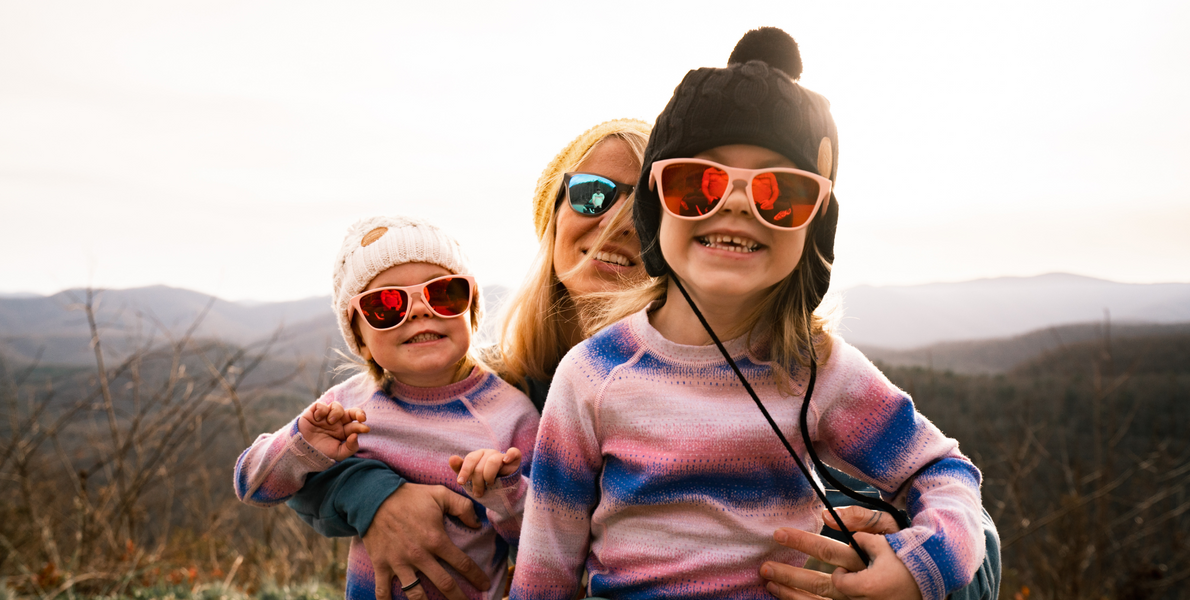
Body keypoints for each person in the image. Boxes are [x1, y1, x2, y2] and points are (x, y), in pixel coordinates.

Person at [508, 28, 986, 600]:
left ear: (817, 230)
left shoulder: (816, 369)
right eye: (697, 184)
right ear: (656, 209)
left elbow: (942, 473)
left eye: (780, 192)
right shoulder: (591, 376)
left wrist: (922, 566)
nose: (735, 203)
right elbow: (543, 575)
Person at [283, 120, 653, 600]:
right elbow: (300, 473)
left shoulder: (702, 383)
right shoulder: (503, 382)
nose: (618, 221)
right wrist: (375, 497)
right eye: (593, 193)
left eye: (646, 207)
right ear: (554, 217)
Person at [234, 216, 540, 600]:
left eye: (443, 293)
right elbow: (253, 485)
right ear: (359, 340)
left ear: (472, 311)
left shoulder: (511, 415)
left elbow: (544, 539)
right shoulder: (346, 408)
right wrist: (303, 444)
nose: (418, 311)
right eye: (386, 305)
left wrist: (506, 492)